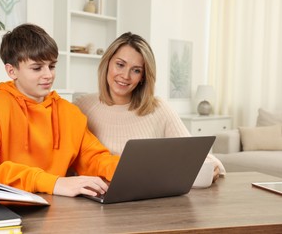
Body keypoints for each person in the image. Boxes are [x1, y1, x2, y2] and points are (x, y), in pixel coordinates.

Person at [0, 23, 119, 198]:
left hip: (57, 208)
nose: (48, 75)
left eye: (51, 66)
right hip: (10, 208)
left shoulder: (68, 112)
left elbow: (94, 158)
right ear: (11, 71)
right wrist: (52, 182)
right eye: (37, 68)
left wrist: (131, 170)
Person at [74, 32, 225, 183]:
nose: (125, 76)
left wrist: (212, 166)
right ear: (107, 63)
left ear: (143, 77)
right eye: (120, 65)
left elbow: (194, 154)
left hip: (147, 199)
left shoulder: (158, 109)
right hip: (95, 199)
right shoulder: (82, 107)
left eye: (136, 70)